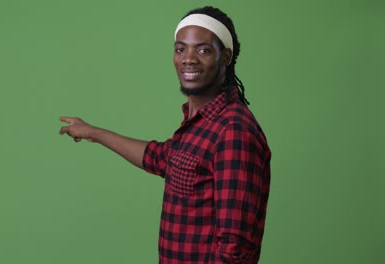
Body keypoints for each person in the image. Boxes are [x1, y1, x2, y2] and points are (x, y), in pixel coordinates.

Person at [59, 6, 271, 264]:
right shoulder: (199, 124)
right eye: (181, 49)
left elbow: (234, 249)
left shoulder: (233, 131)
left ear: (225, 57)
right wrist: (92, 132)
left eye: (203, 50)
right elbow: (160, 158)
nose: (188, 58)